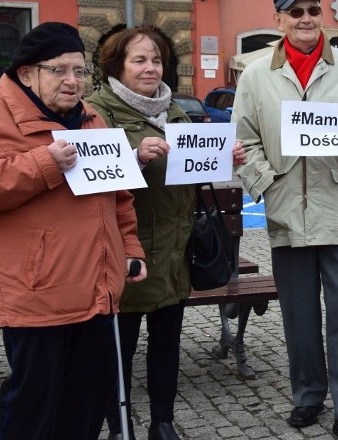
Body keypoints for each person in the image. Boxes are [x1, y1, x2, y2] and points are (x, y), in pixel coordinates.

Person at [0, 22, 147, 440]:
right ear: (28, 72)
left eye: (80, 71)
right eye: (59, 70)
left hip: (97, 290)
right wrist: (44, 163)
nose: (73, 81)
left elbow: (119, 197)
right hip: (37, 294)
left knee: (86, 404)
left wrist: (129, 248)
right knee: (33, 407)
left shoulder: (93, 120)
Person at [232, 0, 338, 440]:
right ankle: (307, 395)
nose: (305, 19)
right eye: (295, 12)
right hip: (286, 212)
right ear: (278, 19)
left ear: (322, 15)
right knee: (298, 313)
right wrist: (268, 183)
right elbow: (244, 139)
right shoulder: (256, 74)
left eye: (312, 10)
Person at [86, 27, 244, 440]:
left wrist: (222, 159)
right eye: (139, 60)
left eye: (156, 60)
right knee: (118, 349)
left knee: (166, 344)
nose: (150, 68)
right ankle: (119, 425)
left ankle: (163, 421)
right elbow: (87, 180)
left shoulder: (173, 110)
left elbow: (187, 178)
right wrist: (133, 159)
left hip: (175, 250)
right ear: (116, 65)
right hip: (126, 252)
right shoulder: (97, 112)